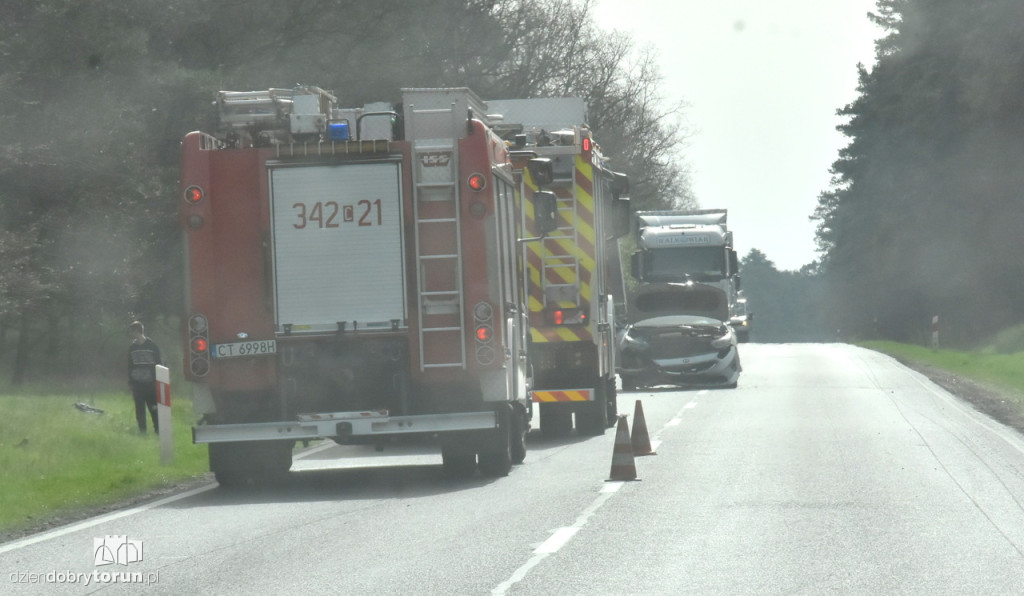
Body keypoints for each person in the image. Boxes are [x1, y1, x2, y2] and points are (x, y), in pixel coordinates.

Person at [128, 321, 162, 433]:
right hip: (137, 384)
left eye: (132, 331)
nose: (130, 334)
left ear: (137, 331)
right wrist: (131, 381)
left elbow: (158, 363)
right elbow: (130, 365)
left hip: (150, 383)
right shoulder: (132, 347)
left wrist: (157, 380)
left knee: (153, 408)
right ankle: (142, 431)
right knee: (139, 410)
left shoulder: (152, 346)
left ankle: (158, 430)